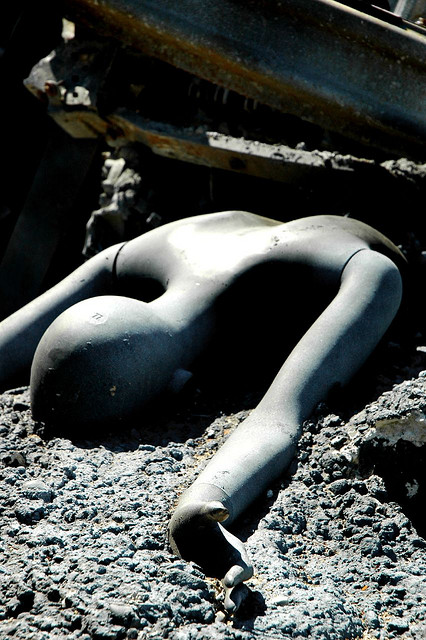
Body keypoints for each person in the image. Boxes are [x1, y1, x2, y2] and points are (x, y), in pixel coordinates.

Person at [0, 211, 404, 611]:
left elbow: (281, 415)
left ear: (180, 385)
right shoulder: (142, 251)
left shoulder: (367, 271)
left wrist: (208, 499)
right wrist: (198, 512)